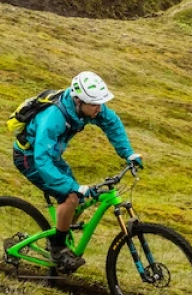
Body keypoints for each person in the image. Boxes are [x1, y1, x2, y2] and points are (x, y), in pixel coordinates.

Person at [13, 71, 143, 271]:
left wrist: (129, 154)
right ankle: (57, 248)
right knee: (71, 196)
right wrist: (71, 187)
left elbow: (112, 123)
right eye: (95, 104)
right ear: (78, 101)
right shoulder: (53, 118)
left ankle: (59, 235)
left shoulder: (87, 107)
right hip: (30, 158)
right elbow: (42, 160)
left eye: (101, 103)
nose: (99, 108)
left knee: (77, 199)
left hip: (51, 155)